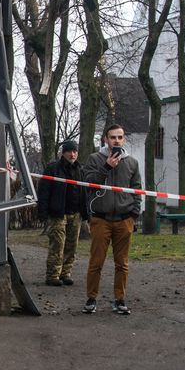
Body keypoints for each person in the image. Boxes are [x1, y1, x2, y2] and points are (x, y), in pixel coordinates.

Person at [81, 123, 142, 315]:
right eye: (113, 137)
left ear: (123, 139)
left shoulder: (132, 162)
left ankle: (120, 299)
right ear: (105, 139)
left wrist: (134, 214)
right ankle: (91, 299)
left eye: (120, 137)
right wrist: (106, 166)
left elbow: (137, 189)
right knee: (96, 261)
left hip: (124, 219)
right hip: (101, 218)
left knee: (122, 263)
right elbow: (90, 185)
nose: (116, 140)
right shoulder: (95, 158)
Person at [38, 139, 88, 286]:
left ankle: (65, 273)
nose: (73, 154)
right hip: (58, 213)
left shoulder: (80, 170)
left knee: (72, 245)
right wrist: (43, 212)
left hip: (76, 213)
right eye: (70, 151)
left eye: (75, 151)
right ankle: (53, 275)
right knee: (57, 245)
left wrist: (85, 213)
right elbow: (44, 192)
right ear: (64, 152)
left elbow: (84, 192)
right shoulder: (53, 169)